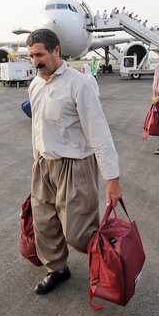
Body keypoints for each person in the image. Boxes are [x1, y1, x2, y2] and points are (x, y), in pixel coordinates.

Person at [26, 29, 123, 294]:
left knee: (78, 232)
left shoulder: (79, 84)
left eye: (40, 54)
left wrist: (112, 180)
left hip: (75, 165)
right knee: (45, 223)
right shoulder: (35, 84)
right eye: (31, 56)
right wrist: (37, 158)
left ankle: (111, 262)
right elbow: (38, 126)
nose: (35, 61)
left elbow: (99, 133)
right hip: (45, 164)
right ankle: (57, 268)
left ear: (56, 50)